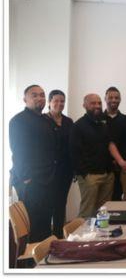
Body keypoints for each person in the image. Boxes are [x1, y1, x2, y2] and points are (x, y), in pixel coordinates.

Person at [9, 85, 58, 242]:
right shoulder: (18, 121)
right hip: (31, 182)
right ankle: (29, 262)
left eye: (42, 95)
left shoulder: (46, 120)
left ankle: (43, 257)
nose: (39, 98)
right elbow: (18, 151)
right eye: (34, 95)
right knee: (33, 225)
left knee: (45, 224)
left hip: (48, 180)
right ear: (25, 99)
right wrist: (27, 179)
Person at [70, 94, 114, 218]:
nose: (97, 106)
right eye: (93, 103)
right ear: (84, 105)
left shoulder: (103, 124)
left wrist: (110, 171)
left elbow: (109, 145)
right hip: (89, 176)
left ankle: (99, 237)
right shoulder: (78, 126)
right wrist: (85, 174)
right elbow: (74, 153)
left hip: (106, 174)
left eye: (99, 103)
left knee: (103, 212)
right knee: (87, 211)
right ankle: (82, 237)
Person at [45, 90, 74, 238]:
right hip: (48, 171)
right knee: (49, 203)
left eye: (62, 101)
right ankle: (46, 238)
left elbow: (72, 146)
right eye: (56, 101)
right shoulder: (43, 120)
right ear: (49, 102)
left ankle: (58, 235)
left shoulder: (68, 122)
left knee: (61, 203)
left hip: (66, 169)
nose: (59, 104)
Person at [103, 86, 125, 201]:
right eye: (110, 97)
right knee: (101, 202)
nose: (113, 100)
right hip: (102, 168)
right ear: (105, 99)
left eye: (116, 97)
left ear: (120, 100)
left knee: (117, 200)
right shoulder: (98, 119)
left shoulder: (125, 120)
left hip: (121, 168)